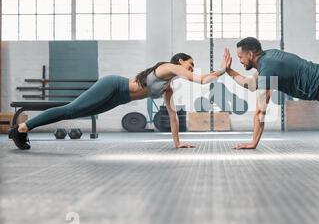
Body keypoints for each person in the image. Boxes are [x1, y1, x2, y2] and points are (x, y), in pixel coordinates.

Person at [9, 51, 231, 150]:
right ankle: (22, 128)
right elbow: (201, 80)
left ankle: (21, 129)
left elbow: (173, 116)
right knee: (72, 109)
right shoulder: (168, 67)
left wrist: (177, 143)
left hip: (118, 99)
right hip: (114, 85)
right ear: (180, 61)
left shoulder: (168, 87)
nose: (190, 69)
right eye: (190, 65)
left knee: (76, 113)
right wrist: (223, 69)